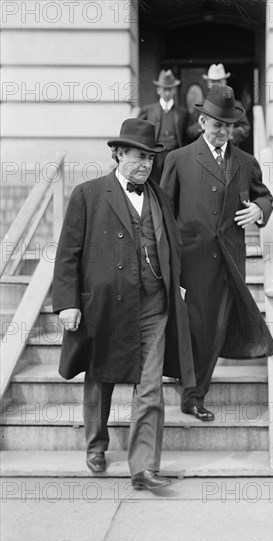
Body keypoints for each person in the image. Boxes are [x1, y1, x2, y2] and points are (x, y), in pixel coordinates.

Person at [52, 119, 195, 490]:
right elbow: (68, 252)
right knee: (100, 378)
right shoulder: (88, 194)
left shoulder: (160, 197)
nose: (144, 164)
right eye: (136, 155)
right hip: (103, 305)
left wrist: (177, 285)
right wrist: (68, 302)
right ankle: (96, 444)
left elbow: (173, 246)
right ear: (117, 154)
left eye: (149, 157)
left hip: (152, 305)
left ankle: (144, 467)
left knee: (150, 386)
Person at [160, 86, 273, 421]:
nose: (222, 130)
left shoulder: (245, 162)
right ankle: (186, 384)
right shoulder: (178, 159)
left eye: (228, 125)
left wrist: (258, 208)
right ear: (201, 121)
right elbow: (165, 210)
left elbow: (266, 197)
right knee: (196, 327)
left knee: (216, 329)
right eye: (216, 124)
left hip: (230, 260)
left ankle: (194, 396)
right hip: (190, 261)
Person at [138, 69, 188, 183]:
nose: (167, 93)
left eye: (170, 89)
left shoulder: (182, 112)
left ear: (174, 90)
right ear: (158, 90)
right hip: (155, 155)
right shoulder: (149, 110)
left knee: (172, 183)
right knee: (155, 183)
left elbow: (187, 133)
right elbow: (139, 131)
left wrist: (201, 125)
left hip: (175, 154)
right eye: (164, 89)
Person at [186, 63, 251, 147]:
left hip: (229, 150)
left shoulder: (236, 105)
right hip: (204, 152)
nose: (216, 85)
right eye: (213, 81)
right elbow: (189, 132)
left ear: (225, 82)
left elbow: (245, 128)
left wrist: (228, 134)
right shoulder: (200, 107)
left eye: (219, 81)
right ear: (208, 84)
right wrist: (200, 125)